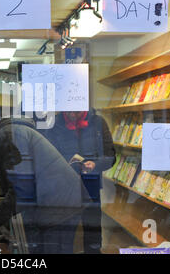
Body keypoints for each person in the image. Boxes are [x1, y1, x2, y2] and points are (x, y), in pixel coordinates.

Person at [0, 118, 89, 254]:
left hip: (59, 207)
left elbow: (21, 188)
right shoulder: (6, 135)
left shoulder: (6, 138)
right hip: (57, 203)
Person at [40, 109, 116, 254]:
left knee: (92, 235)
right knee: (64, 235)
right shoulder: (53, 124)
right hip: (63, 188)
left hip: (90, 186)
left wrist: (95, 165)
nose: (72, 115)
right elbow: (46, 156)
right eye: (68, 111)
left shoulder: (98, 122)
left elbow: (110, 156)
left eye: (77, 112)